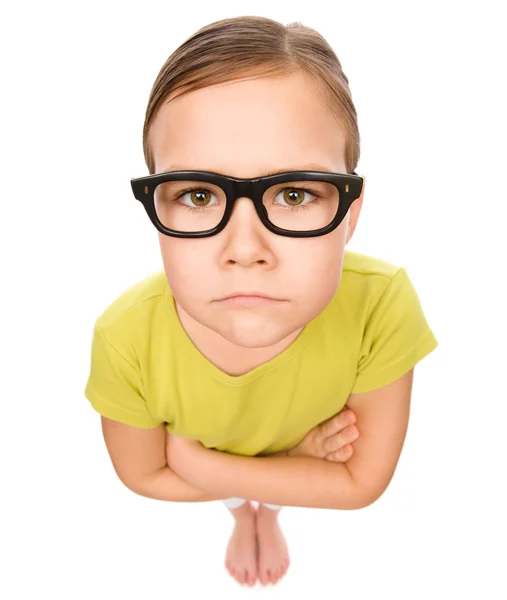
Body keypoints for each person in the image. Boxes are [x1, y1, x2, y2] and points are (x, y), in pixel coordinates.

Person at [84, 15, 438, 588]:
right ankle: (248, 510)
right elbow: (143, 478)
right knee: (256, 493)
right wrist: (296, 462)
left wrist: (200, 462)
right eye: (198, 194)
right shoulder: (126, 340)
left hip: (212, 458)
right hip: (293, 456)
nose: (245, 250)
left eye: (294, 193)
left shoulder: (382, 306)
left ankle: (265, 511)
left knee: (260, 493)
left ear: (350, 213)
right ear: (157, 206)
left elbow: (361, 486)